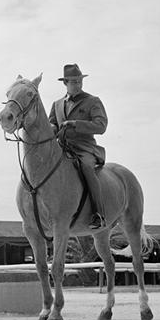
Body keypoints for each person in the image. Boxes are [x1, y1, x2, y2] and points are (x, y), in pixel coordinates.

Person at [49, 63, 108, 229]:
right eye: (74, 82)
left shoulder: (92, 101)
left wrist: (75, 124)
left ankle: (98, 214)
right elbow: (52, 125)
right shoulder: (56, 104)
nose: (78, 84)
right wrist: (51, 128)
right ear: (65, 83)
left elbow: (101, 126)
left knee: (86, 168)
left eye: (79, 81)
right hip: (62, 148)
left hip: (84, 148)